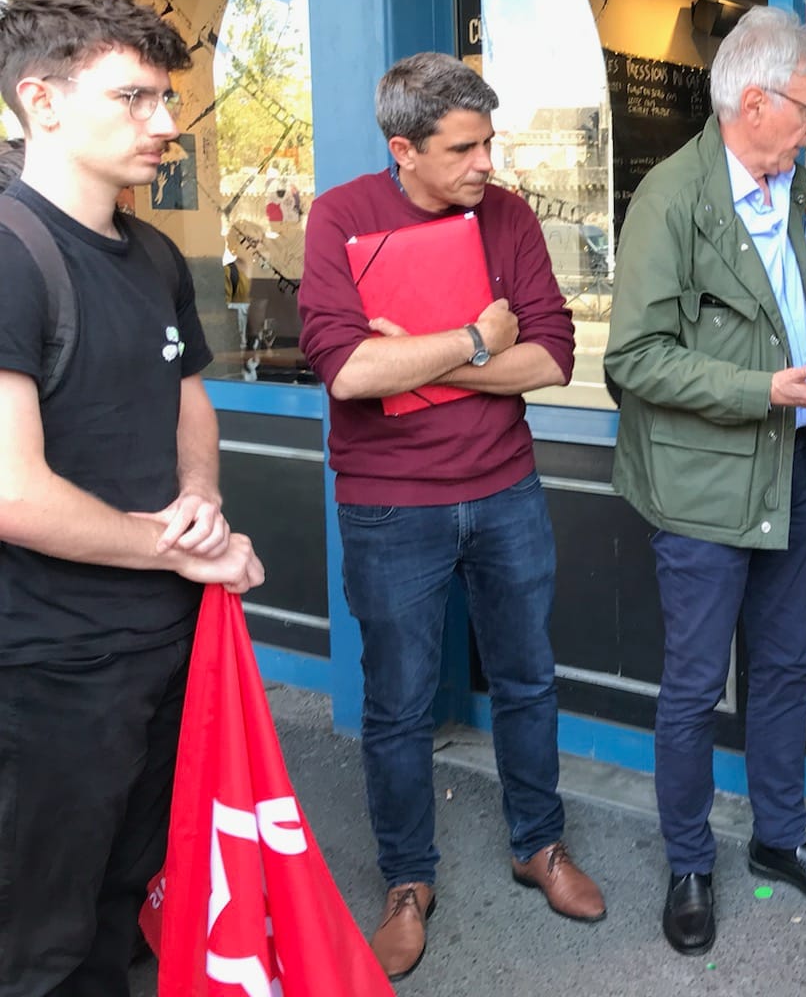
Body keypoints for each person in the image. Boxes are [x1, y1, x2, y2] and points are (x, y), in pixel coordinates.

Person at [298, 52, 603, 982]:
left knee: (527, 680)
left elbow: (551, 357)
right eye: (464, 148)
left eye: (488, 142)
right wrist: (475, 338)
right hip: (391, 506)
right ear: (404, 149)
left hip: (505, 490)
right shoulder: (341, 217)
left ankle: (538, 844)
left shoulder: (507, 216)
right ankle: (406, 882)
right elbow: (350, 372)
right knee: (397, 706)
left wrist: (428, 359)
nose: (486, 162)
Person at [0, 0, 265, 997]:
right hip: (49, 671)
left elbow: (187, 400)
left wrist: (203, 501)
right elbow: (14, 492)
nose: (165, 125)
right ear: (42, 102)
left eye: (166, 98)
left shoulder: (152, 251)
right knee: (40, 941)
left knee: (125, 900)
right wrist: (187, 551)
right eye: (134, 98)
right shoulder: (12, 256)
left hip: (164, 647)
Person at [604, 6, 806, 957]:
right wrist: (761, 390)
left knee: (787, 663)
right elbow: (633, 357)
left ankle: (778, 838)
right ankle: (688, 864)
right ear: (753, 103)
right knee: (692, 685)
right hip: (701, 485)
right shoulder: (670, 198)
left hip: (786, 464)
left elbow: (787, 316)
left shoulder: (786, 185)